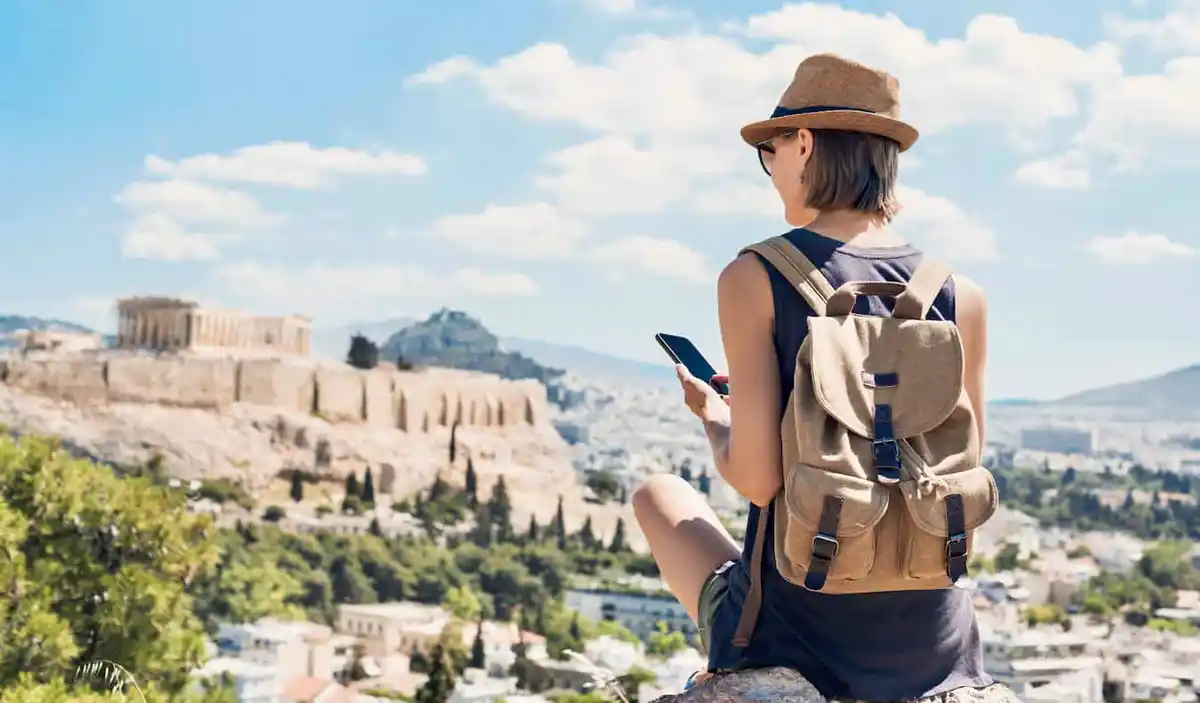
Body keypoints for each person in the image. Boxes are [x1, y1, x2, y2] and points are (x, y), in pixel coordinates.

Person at [632, 54, 1015, 702]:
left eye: (770, 151)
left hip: (798, 639)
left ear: (804, 143)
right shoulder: (961, 294)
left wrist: (718, 419)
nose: (771, 168)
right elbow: (963, 463)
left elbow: (758, 479)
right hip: (935, 646)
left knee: (657, 494)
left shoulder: (755, 276)